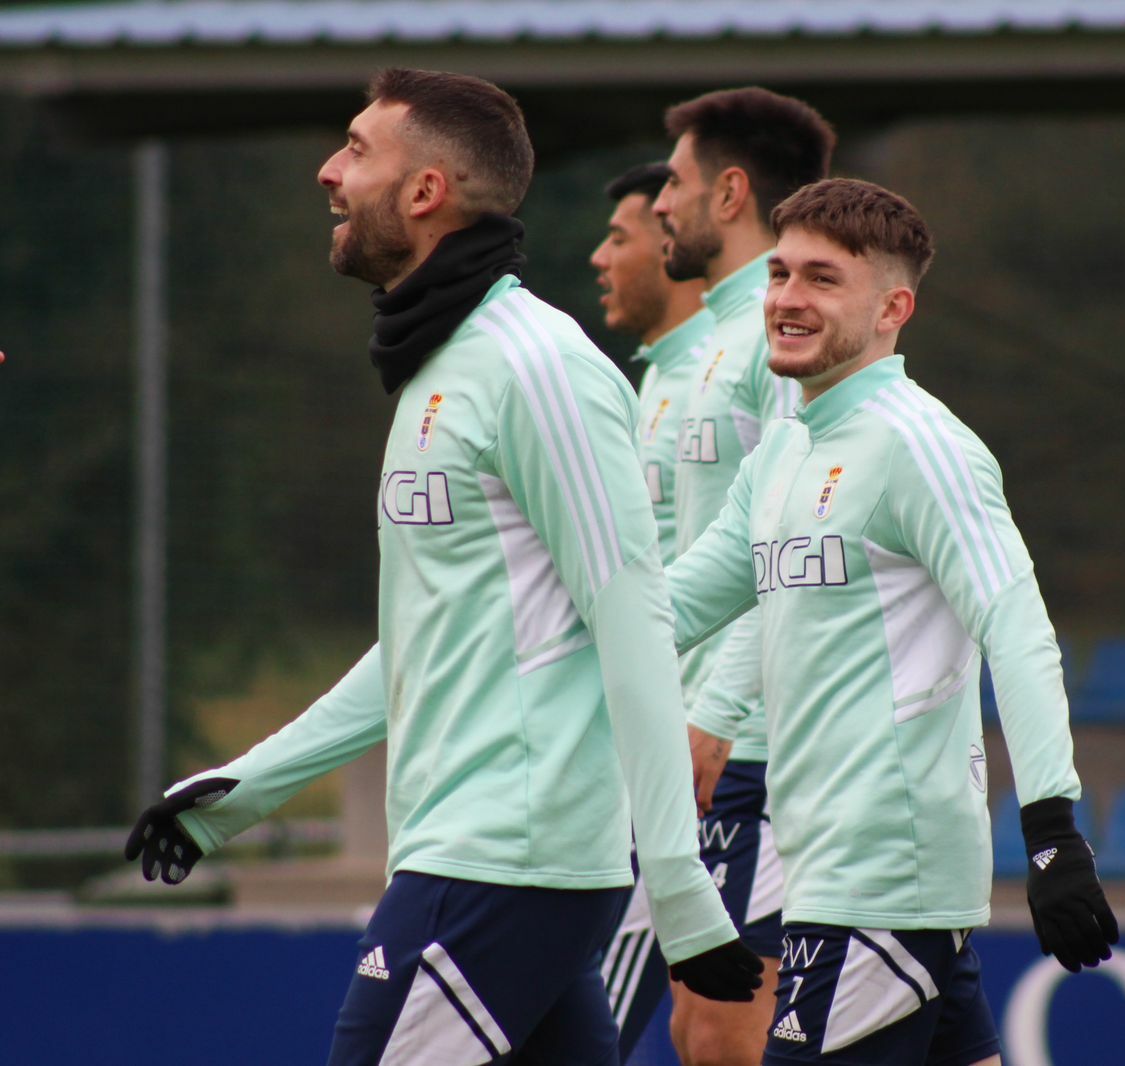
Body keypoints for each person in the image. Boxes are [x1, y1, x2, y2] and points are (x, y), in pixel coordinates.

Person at [122, 68, 759, 1065]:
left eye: (357, 150)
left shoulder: (535, 366)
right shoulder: (443, 367)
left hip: (504, 863)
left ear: (426, 194)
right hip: (483, 858)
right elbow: (425, 640)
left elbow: (633, 619)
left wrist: (677, 889)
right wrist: (240, 790)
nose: (329, 172)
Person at [666, 177, 1118, 1063]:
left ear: (892, 307)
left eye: (824, 280)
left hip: (874, 881)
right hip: (839, 875)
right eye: (782, 274)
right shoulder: (785, 449)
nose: (789, 299)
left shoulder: (924, 445)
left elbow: (1018, 631)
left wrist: (1053, 834)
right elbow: (668, 609)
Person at [649, 86, 836, 1066]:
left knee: (727, 1025)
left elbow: (801, 544)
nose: (658, 207)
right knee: (700, 1023)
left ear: (729, 192)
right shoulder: (716, 338)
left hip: (761, 744)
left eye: (673, 184)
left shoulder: (787, 329)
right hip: (707, 736)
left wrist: (717, 706)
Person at [586, 161, 718, 1059]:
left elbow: (754, 563)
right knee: (711, 1032)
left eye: (623, 237)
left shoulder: (737, 368)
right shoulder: (653, 384)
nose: (601, 257)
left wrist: (715, 715)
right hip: (651, 750)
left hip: (702, 766)